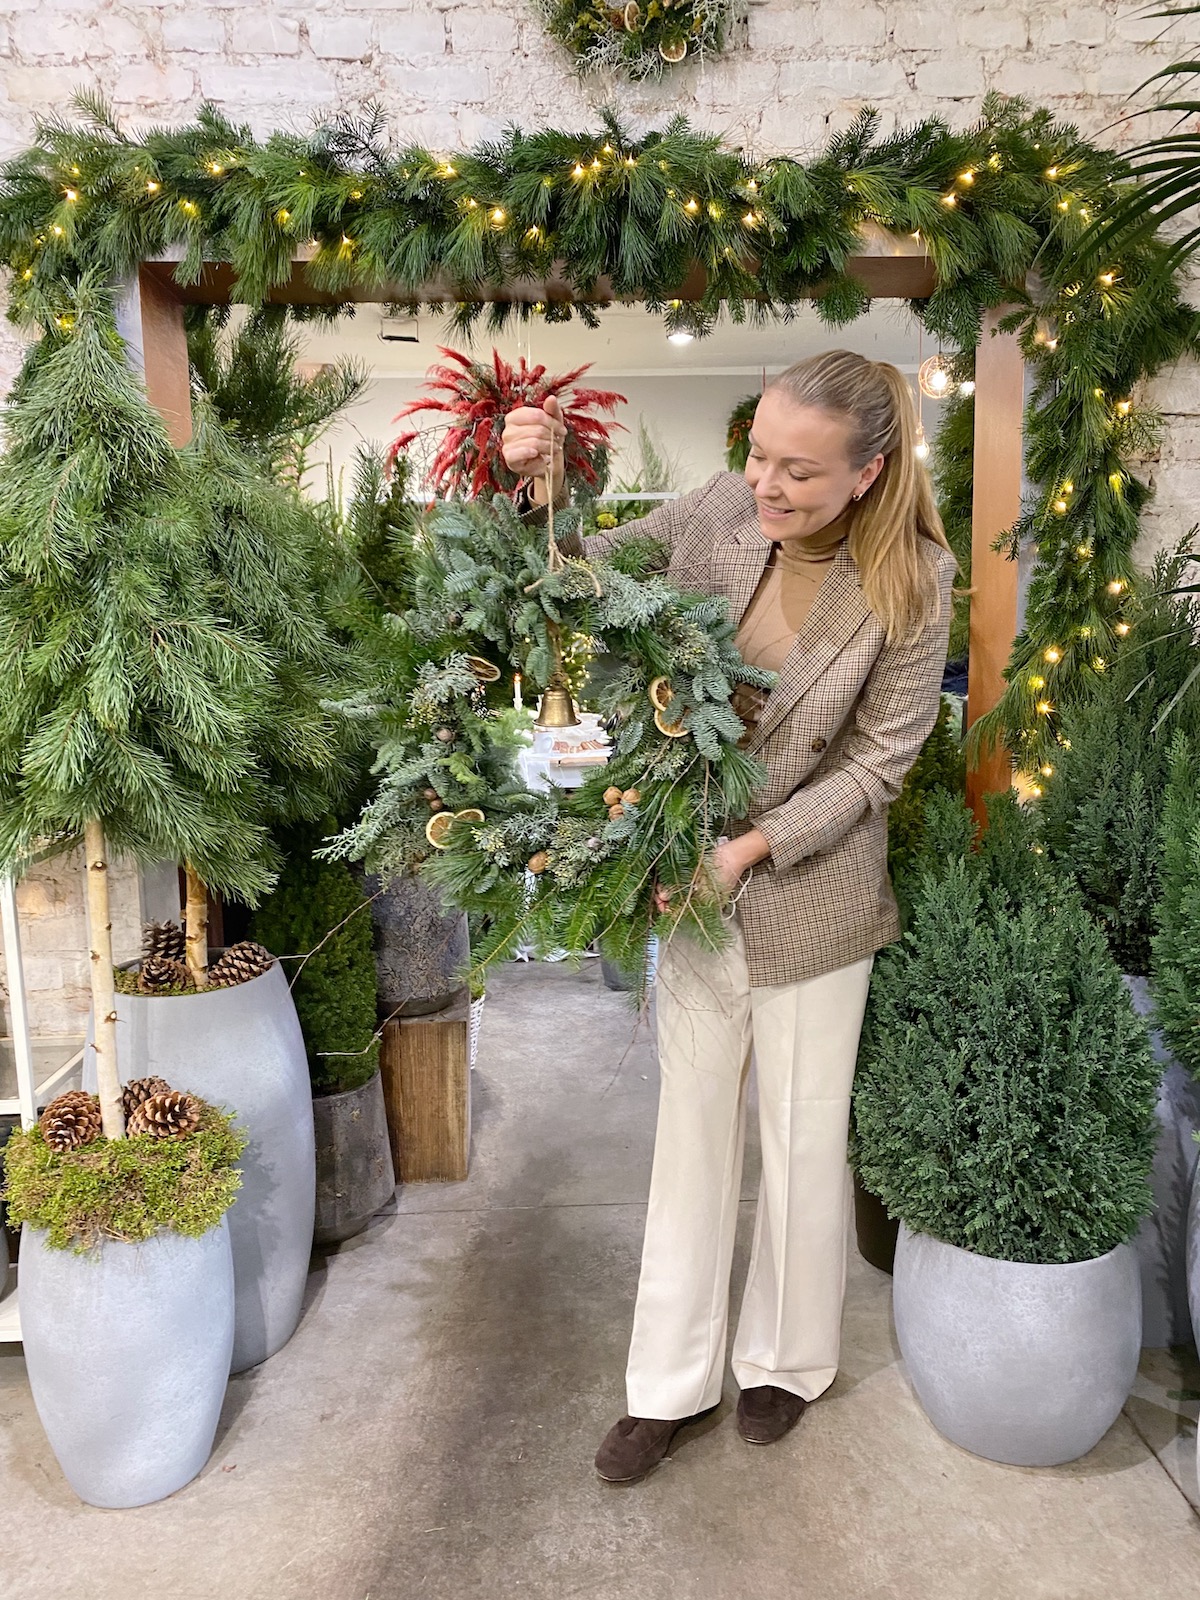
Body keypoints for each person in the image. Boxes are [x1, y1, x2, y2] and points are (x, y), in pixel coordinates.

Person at [501, 350, 957, 1483]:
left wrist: (748, 849)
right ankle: (666, 1385)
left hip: (816, 893)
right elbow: (582, 569)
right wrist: (541, 486)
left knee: (802, 1141)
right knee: (691, 1134)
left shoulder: (911, 577)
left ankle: (786, 1364)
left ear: (867, 473)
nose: (767, 484)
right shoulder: (716, 506)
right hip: (691, 885)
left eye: (800, 471)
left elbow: (880, 763)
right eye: (759, 454)